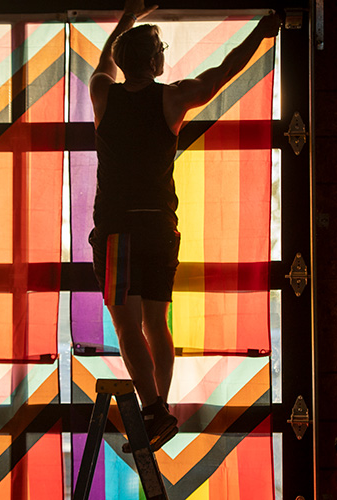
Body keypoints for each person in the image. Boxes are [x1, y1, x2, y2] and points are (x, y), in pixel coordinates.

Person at [88, 0, 280, 452]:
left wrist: (127, 17)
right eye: (160, 50)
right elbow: (224, 71)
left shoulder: (103, 93)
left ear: (122, 60)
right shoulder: (171, 97)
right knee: (157, 322)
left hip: (118, 228)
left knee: (127, 326)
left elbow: (102, 63)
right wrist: (261, 32)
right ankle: (160, 410)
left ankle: (155, 411)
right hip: (160, 227)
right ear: (154, 62)